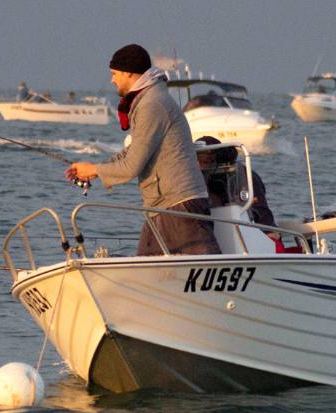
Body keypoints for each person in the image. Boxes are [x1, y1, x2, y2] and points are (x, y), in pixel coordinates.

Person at [65, 44, 220, 256]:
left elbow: (132, 166)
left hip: (180, 206)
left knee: (200, 277)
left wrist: (94, 169)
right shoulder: (147, 100)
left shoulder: (151, 104)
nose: (112, 80)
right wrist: (93, 170)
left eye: (114, 74)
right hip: (162, 207)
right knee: (146, 277)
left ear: (128, 72)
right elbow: (132, 152)